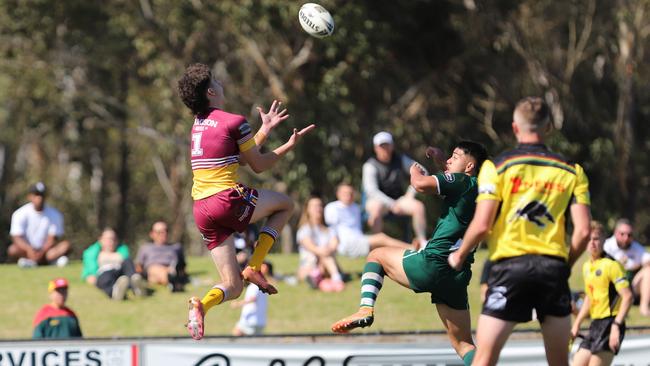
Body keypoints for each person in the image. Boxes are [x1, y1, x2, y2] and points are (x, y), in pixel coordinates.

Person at [448, 97, 592, 366]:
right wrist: (565, 265)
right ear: (548, 126)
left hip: (509, 268)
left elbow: (482, 225)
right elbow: (583, 232)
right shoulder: (573, 171)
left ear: (515, 128)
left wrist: (459, 255)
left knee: (484, 360)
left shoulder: (496, 167)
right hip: (552, 269)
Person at [177, 63, 315, 340]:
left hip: (202, 210)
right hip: (225, 200)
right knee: (285, 204)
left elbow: (239, 156)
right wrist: (289, 144)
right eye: (217, 80)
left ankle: (201, 306)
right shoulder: (233, 120)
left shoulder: (198, 125)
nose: (222, 84)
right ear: (212, 91)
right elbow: (259, 165)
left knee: (233, 285)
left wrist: (264, 129)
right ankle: (254, 265)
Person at [332, 141, 488, 366]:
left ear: (469, 166)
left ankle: (365, 308)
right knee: (464, 345)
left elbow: (420, 184)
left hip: (435, 263)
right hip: (457, 275)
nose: (450, 160)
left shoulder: (462, 181)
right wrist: (442, 159)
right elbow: (455, 171)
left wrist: (414, 169)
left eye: (455, 156)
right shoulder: (479, 188)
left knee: (376, 255)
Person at [571, 221, 633, 366]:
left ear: (604, 240)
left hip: (610, 323)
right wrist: (577, 324)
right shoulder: (587, 267)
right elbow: (589, 298)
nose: (592, 243)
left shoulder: (612, 265)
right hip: (595, 325)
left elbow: (628, 297)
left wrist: (616, 326)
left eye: (596, 239)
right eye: (589, 239)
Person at [362, 131, 429, 247]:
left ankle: (422, 243)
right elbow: (371, 191)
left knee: (418, 207)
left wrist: (410, 193)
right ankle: (376, 248)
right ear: (375, 148)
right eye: (381, 146)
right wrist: (391, 204)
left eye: (387, 145)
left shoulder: (401, 159)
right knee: (375, 210)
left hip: (398, 200)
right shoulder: (370, 165)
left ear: (392, 146)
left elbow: (423, 172)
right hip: (378, 201)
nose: (385, 149)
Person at [324, 182, 414, 258]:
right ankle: (412, 249)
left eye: (350, 193)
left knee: (381, 243)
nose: (348, 196)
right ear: (338, 194)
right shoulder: (332, 207)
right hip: (346, 244)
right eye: (345, 193)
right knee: (381, 238)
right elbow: (332, 229)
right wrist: (332, 246)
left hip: (359, 239)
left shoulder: (355, 207)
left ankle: (407, 253)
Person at [8, 182, 70, 267]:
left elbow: (52, 238)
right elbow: (16, 237)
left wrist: (42, 251)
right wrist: (29, 249)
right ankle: (33, 261)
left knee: (65, 246)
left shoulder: (55, 214)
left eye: (42, 195)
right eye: (36, 195)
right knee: (13, 249)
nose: (39, 198)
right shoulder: (20, 213)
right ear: (29, 196)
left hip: (46, 251)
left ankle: (40, 262)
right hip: (27, 250)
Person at [81, 228, 147, 300]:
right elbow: (89, 269)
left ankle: (137, 286)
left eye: (113, 239)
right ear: (100, 240)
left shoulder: (122, 251)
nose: (111, 241)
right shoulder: (94, 254)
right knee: (106, 277)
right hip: (105, 273)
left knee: (128, 261)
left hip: (121, 273)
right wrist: (91, 276)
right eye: (108, 239)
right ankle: (115, 292)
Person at [296, 196, 345, 292]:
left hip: (326, 265)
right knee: (325, 256)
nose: (318, 209)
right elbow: (313, 248)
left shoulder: (329, 230)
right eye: (314, 206)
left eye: (319, 206)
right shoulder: (304, 230)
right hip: (309, 266)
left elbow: (334, 244)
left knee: (326, 257)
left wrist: (326, 250)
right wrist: (325, 250)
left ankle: (326, 279)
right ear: (307, 210)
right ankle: (335, 279)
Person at [603, 218, 650, 316]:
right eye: (622, 234)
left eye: (629, 235)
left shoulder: (636, 248)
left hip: (632, 286)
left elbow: (647, 260)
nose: (626, 238)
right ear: (616, 233)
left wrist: (640, 265)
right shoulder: (607, 246)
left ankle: (644, 307)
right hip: (612, 286)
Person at [135, 221, 187, 292]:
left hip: (172, 268)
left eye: (166, 231)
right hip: (153, 270)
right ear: (152, 234)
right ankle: (172, 282)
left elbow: (182, 267)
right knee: (155, 270)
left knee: (170, 270)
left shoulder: (176, 247)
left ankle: (172, 281)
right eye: (160, 232)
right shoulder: (145, 248)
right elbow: (138, 267)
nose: (164, 234)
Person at [231, 262, 273, 336]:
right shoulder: (263, 284)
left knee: (236, 334)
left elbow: (252, 298)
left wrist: (238, 304)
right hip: (260, 322)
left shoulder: (255, 286)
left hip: (250, 320)